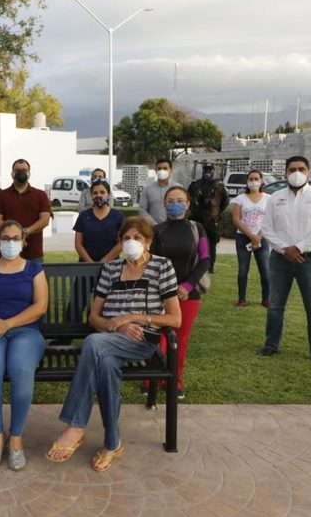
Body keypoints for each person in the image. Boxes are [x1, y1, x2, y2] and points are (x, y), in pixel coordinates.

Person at [46, 217, 181, 472]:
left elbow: (175, 318)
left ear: (148, 242)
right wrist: (117, 326)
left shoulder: (162, 266)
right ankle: (112, 443)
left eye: (137, 238)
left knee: (92, 343)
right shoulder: (110, 269)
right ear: (119, 242)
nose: (131, 242)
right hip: (109, 339)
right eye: (126, 238)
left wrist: (132, 318)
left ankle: (76, 425)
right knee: (105, 363)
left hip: (140, 340)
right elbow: (94, 317)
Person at [0, 220, 48, 470]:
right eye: (6, 238)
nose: (11, 243)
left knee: (21, 369)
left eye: (16, 238)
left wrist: (9, 324)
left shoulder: (34, 270)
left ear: (24, 242)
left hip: (26, 332)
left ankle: (15, 438)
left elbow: (40, 307)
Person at [259, 156, 311, 367]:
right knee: (275, 305)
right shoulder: (275, 198)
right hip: (280, 259)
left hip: (310, 260)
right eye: (292, 169)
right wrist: (285, 249)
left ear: (309, 172)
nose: (297, 173)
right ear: (285, 173)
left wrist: (298, 248)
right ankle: (271, 345)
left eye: (301, 169)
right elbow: (267, 228)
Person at [152, 186, 210, 400]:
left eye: (179, 200)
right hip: (160, 293)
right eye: (170, 201)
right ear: (164, 204)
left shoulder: (197, 229)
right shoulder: (156, 231)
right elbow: (150, 262)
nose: (175, 204)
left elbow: (205, 259)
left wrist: (188, 286)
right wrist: (167, 290)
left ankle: (174, 381)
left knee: (180, 339)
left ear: (187, 204)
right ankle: (152, 379)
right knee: (157, 337)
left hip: (188, 294)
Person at [0, 158, 52, 263]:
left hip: (33, 252)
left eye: (24, 170)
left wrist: (26, 232)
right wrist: (15, 235)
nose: (21, 172)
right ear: (12, 174)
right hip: (7, 252)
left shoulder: (40, 195)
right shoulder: (1, 195)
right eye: (17, 170)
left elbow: (45, 220)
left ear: (29, 173)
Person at [230, 169, 271, 307]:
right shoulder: (240, 199)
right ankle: (242, 299)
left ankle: (266, 299)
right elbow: (236, 220)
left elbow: (269, 220)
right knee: (243, 270)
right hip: (243, 238)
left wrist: (258, 236)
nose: (253, 181)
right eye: (251, 179)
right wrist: (251, 236)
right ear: (247, 182)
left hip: (262, 238)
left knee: (265, 270)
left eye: (256, 179)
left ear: (261, 181)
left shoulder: (268, 199)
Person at [187, 163, 229, 273]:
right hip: (196, 218)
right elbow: (187, 198)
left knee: (211, 244)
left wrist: (217, 211)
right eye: (206, 169)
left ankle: (210, 266)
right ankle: (194, 264)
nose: (208, 172)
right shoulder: (195, 184)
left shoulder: (219, 185)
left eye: (210, 169)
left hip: (211, 219)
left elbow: (225, 201)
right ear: (202, 170)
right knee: (195, 242)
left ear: (214, 171)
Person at [73, 180, 123, 263]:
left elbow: (121, 243)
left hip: (111, 265)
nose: (98, 195)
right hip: (86, 265)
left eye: (102, 192)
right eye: (95, 193)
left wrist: (104, 261)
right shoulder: (83, 216)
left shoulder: (118, 216)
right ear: (91, 196)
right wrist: (90, 263)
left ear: (108, 195)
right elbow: (78, 244)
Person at [138, 158, 183, 225]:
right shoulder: (147, 189)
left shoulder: (179, 188)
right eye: (159, 168)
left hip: (174, 227)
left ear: (171, 170)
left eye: (165, 168)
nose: (162, 171)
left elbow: (183, 209)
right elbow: (142, 211)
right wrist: (155, 226)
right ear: (155, 170)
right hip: (152, 228)